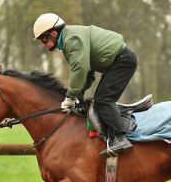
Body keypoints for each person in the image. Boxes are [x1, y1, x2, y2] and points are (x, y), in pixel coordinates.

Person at [32, 13, 138, 157]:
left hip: (123, 61)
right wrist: (78, 98)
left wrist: (70, 97)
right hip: (118, 61)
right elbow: (87, 75)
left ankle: (120, 137)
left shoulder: (72, 39)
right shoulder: (69, 39)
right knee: (99, 99)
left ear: (54, 33)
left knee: (103, 100)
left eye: (44, 40)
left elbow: (80, 70)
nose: (44, 45)